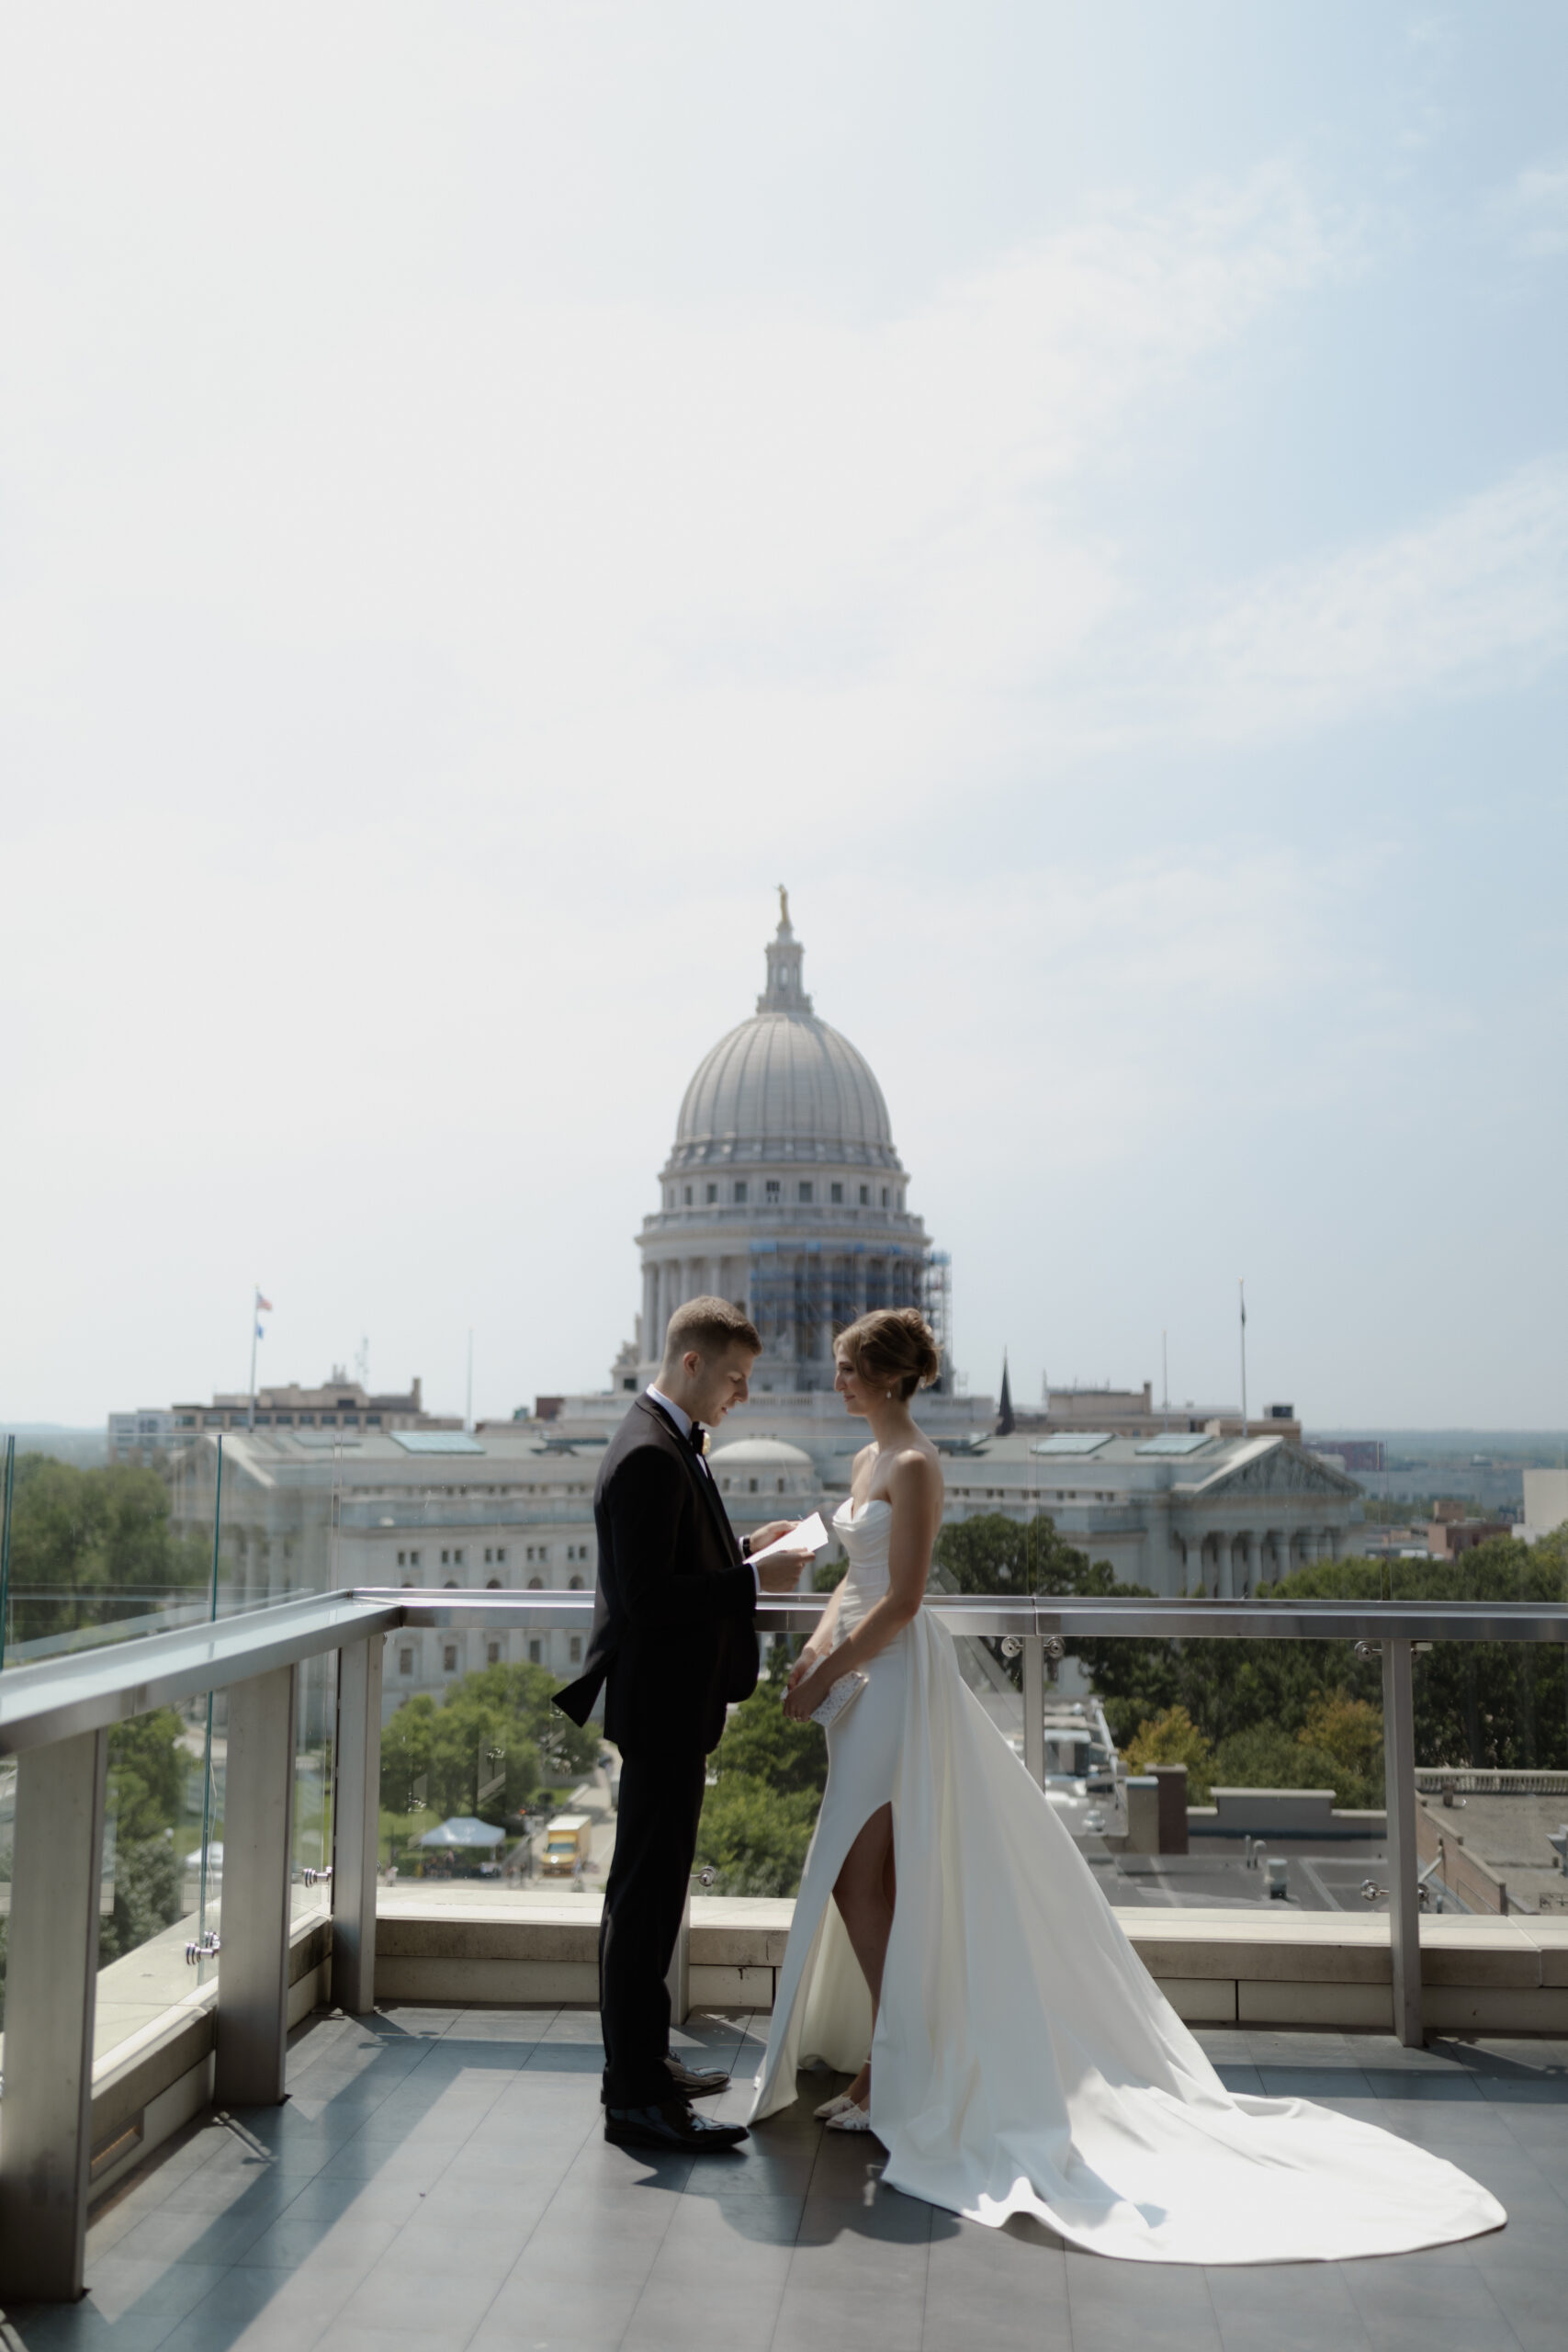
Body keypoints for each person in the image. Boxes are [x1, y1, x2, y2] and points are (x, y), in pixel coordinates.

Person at [749, 1306, 1506, 2265]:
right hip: (856, 1685)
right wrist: (812, 1657)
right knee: (869, 1881)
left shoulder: (914, 1467)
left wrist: (826, 1669)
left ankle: (891, 2067)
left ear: (884, 1377)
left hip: (895, 1682)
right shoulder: (863, 1466)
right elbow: (850, 1588)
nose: (838, 1383)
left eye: (848, 1370)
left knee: (870, 1877)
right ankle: (891, 2059)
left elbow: (903, 1601)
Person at [555, 1295, 812, 2155]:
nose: (740, 1397)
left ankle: (644, 2066)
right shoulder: (648, 1455)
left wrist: (743, 1551)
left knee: (653, 1899)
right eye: (734, 1379)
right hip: (662, 1705)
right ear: (693, 1363)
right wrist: (752, 1582)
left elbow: (674, 1559)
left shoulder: (664, 1441)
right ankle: (634, 2095)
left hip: (673, 1704)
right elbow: (649, 1599)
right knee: (643, 1903)